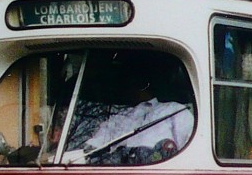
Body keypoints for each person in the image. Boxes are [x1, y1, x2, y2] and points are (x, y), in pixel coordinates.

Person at [63, 66, 194, 165]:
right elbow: (91, 148)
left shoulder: (175, 111)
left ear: (145, 84)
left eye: (133, 80)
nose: (127, 85)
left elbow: (189, 153)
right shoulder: (118, 117)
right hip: (115, 174)